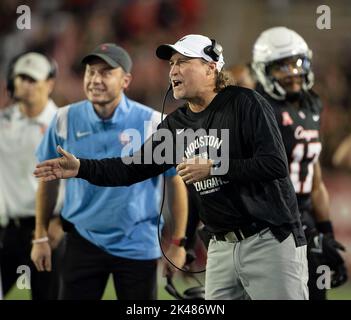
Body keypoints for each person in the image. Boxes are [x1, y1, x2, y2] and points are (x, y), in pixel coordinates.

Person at [34, 34, 309, 300]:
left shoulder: (244, 103)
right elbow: (130, 169)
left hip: (268, 239)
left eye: (183, 62)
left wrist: (215, 167)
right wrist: (82, 167)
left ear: (210, 67)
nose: (173, 70)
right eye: (172, 64)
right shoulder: (177, 125)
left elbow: (274, 165)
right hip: (220, 248)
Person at [31, 43, 188, 300]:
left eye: (105, 73)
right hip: (83, 240)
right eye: (90, 72)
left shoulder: (153, 123)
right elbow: (47, 180)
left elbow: (175, 181)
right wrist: (40, 237)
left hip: (138, 243)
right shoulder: (63, 120)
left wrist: (178, 243)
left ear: (126, 80)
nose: (95, 80)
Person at [252, 26, 348, 300]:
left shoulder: (312, 105)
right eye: (282, 66)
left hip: (304, 219)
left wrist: (326, 232)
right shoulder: (257, 108)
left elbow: (314, 174)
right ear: (264, 69)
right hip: (270, 224)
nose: (293, 72)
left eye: (297, 63)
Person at [0, 52, 63, 300]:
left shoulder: (65, 124)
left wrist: (63, 223)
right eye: (21, 78)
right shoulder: (3, 122)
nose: (25, 85)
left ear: (49, 84)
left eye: (32, 79)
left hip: (50, 230)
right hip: (8, 231)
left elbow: (82, 181)